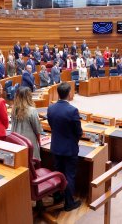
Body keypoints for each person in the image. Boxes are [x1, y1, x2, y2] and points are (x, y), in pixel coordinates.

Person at [47, 82, 82, 211]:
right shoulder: (72, 110)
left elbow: (51, 125)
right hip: (69, 149)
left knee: (58, 173)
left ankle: (58, 196)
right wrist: (73, 140)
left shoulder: (51, 108)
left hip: (56, 146)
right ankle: (69, 203)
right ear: (69, 94)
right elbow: (78, 132)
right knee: (69, 176)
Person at [11, 87, 42, 160]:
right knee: (32, 162)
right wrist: (39, 142)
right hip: (28, 142)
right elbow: (37, 130)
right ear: (29, 97)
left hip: (15, 140)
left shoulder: (14, 108)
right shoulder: (32, 110)